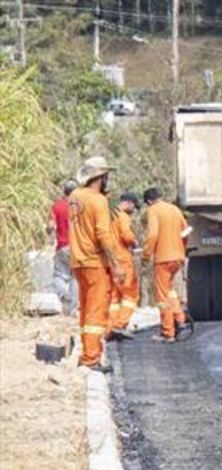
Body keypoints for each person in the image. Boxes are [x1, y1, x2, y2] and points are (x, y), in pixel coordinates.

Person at [68, 157, 126, 372]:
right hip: (94, 262)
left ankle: (86, 353)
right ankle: (92, 358)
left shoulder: (75, 196)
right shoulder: (98, 200)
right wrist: (116, 263)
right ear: (100, 177)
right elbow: (102, 233)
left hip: (78, 261)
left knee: (85, 309)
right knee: (95, 310)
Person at [141, 187, 191, 343]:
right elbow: (186, 231)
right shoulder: (174, 209)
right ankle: (181, 320)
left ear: (149, 201)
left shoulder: (153, 210)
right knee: (170, 292)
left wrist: (146, 254)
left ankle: (167, 332)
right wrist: (181, 248)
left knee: (163, 297)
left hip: (163, 258)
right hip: (178, 257)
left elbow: (153, 235)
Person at [108, 192, 141, 340]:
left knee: (114, 296)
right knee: (130, 295)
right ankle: (120, 325)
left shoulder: (110, 214)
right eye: (134, 206)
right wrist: (134, 242)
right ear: (128, 203)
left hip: (111, 259)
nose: (133, 210)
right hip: (123, 260)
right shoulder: (123, 216)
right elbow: (126, 235)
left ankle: (111, 327)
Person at [48, 179, 79, 315]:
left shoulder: (56, 206)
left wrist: (50, 233)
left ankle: (63, 294)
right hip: (78, 247)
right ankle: (73, 310)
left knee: (58, 277)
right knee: (75, 277)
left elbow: (50, 226)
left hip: (62, 246)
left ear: (64, 191)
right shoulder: (80, 206)